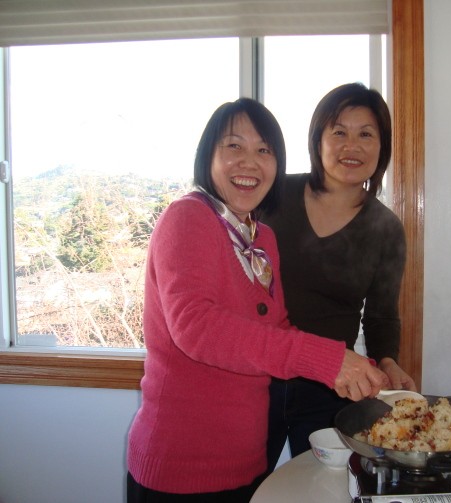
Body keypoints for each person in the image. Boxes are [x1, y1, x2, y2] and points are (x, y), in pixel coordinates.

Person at [126, 97, 387, 503]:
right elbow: (197, 327)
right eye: (234, 146)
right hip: (182, 465)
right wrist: (327, 360)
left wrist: (356, 367)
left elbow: (276, 327)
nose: (250, 162)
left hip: (245, 459)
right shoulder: (188, 217)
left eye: (264, 150)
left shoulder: (261, 238)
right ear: (208, 156)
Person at [261, 83, 417, 472]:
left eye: (366, 134)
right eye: (339, 132)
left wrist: (388, 361)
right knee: (242, 487)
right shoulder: (275, 196)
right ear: (318, 141)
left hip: (331, 385)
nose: (352, 146)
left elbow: (381, 314)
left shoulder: (385, 228)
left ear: (382, 147)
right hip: (259, 377)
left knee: (326, 485)